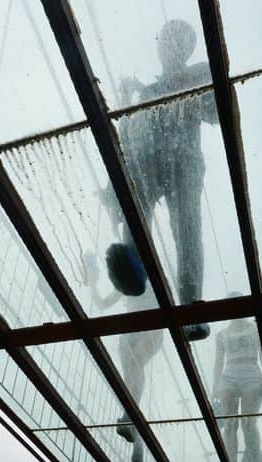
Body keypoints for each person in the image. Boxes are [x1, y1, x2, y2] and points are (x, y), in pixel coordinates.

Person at [103, 19, 218, 342]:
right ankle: (133, 267)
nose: (168, 47)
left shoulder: (200, 73)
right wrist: (130, 102)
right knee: (136, 210)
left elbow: (216, 112)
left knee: (187, 228)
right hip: (148, 160)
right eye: (164, 41)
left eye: (176, 41)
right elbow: (128, 139)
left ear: (187, 48)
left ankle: (191, 307)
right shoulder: (147, 90)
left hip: (184, 160)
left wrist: (178, 91)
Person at [87, 253, 159, 462]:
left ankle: (132, 419)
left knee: (136, 366)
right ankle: (133, 422)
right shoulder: (126, 282)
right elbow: (102, 303)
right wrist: (93, 279)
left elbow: (162, 303)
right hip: (130, 331)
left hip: (150, 327)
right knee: (130, 376)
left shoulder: (152, 278)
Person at [211, 307, 262, 462]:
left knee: (248, 423)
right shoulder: (221, 335)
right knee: (229, 423)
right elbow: (218, 363)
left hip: (251, 371)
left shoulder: (255, 329)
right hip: (229, 374)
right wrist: (214, 388)